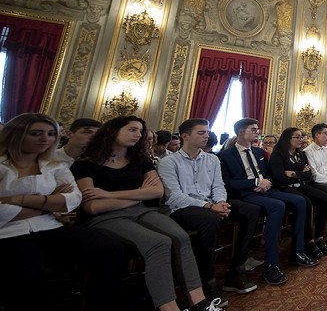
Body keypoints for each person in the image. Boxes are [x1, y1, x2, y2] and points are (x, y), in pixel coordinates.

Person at [71, 115, 223, 311]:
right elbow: (92, 207)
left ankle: (200, 302)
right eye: (132, 129)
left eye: (140, 131)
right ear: (113, 131)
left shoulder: (139, 160)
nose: (138, 135)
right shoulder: (85, 164)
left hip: (141, 211)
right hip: (105, 217)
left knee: (181, 237)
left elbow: (157, 191)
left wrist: (108, 194)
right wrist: (138, 194)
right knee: (159, 243)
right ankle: (169, 307)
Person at [0, 113, 125, 311]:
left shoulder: (54, 166)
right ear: (16, 134)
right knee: (29, 271)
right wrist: (48, 203)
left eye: (51, 134)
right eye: (36, 133)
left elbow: (72, 199)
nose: (45, 139)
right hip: (8, 233)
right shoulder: (2, 165)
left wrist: (16, 200)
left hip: (50, 226)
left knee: (110, 248)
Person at [158, 118, 262, 302]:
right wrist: (209, 206)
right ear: (185, 136)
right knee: (209, 220)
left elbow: (218, 185)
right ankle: (207, 280)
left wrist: (221, 202)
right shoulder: (169, 162)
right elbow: (174, 196)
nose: (206, 136)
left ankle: (236, 269)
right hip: (182, 208)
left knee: (251, 210)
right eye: (201, 133)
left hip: (211, 202)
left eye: (207, 132)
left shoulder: (212, 159)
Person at [216, 118, 315, 276]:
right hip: (246, 193)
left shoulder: (259, 152)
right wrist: (255, 182)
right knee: (278, 206)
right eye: (253, 129)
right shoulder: (225, 155)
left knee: (301, 201)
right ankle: (271, 264)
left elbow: (268, 172)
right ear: (241, 132)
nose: (258, 132)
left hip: (267, 189)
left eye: (257, 129)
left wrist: (267, 181)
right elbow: (228, 183)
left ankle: (297, 251)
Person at [268, 127, 327, 259]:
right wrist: (300, 173)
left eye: (301, 137)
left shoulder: (300, 154)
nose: (301, 140)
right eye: (297, 137)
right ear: (287, 139)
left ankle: (319, 236)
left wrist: (293, 173)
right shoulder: (278, 154)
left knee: (324, 198)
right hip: (284, 187)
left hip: (300, 184)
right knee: (306, 202)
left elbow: (308, 175)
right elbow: (279, 177)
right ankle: (308, 241)